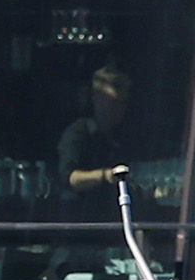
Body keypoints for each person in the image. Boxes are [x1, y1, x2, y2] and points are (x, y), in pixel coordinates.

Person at [59, 63, 140, 201]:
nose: (119, 109)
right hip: (80, 217)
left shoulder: (123, 136)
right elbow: (70, 178)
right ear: (96, 99)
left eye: (123, 103)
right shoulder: (78, 132)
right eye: (113, 102)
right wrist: (104, 175)